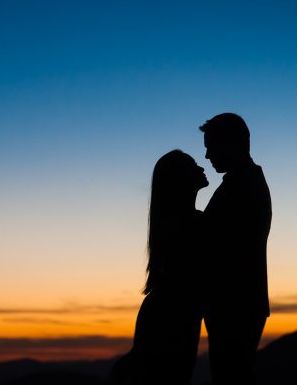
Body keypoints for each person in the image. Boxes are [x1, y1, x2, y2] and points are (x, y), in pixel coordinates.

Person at [110, 149, 209, 384]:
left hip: (167, 313)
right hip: (174, 317)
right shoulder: (192, 224)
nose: (201, 168)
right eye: (192, 165)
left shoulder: (182, 222)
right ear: (179, 178)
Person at [199, 113, 272, 385]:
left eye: (210, 146)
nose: (206, 155)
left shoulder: (243, 185)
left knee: (233, 376)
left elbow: (216, 242)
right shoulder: (243, 181)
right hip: (239, 302)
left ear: (231, 143)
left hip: (235, 303)